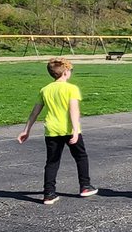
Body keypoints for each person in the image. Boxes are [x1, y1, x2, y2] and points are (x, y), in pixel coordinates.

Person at [17, 57, 97, 205]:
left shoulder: (45, 89)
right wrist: (74, 129)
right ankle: (85, 186)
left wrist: (26, 130)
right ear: (66, 72)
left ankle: (48, 193)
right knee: (81, 157)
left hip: (52, 130)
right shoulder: (71, 89)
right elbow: (73, 110)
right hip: (68, 129)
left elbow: (35, 112)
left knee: (52, 162)